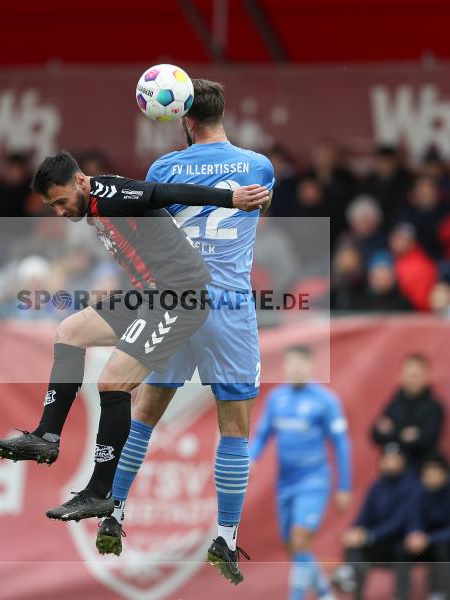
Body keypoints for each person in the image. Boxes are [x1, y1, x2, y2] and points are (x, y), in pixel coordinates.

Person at [0, 151, 268, 525]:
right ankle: (47, 436)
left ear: (81, 182)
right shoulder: (93, 203)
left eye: (60, 201)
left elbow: (161, 193)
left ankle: (99, 493)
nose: (59, 212)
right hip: (149, 295)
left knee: (112, 382)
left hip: (180, 297)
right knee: (69, 332)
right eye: (51, 206)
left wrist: (228, 199)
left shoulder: (112, 193)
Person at [91, 79, 275, 584]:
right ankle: (227, 537)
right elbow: (257, 215)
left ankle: (115, 510)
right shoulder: (258, 165)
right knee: (233, 427)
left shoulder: (164, 170)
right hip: (229, 306)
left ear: (184, 120)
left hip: (174, 300)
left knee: (146, 413)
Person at [249, 346, 352, 600]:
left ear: (310, 366)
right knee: (292, 547)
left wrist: (345, 486)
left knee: (300, 539)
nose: (295, 368)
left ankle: (296, 596)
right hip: (286, 483)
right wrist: (251, 458)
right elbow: (263, 434)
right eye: (290, 363)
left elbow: (341, 443)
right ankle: (325, 592)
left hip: (314, 480)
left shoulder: (325, 400)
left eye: (300, 363)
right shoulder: (277, 398)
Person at [333, 444, 419, 600]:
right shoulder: (377, 486)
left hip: (398, 542)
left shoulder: (411, 486)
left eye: (394, 459)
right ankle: (349, 578)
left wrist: (369, 535)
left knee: (402, 549)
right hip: (377, 541)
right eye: (386, 459)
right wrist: (355, 531)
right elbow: (364, 515)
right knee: (355, 546)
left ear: (403, 461)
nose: (390, 463)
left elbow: (399, 522)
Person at [398, 452, 450, 600]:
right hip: (424, 543)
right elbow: (413, 518)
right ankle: (401, 595)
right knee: (401, 549)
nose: (431, 478)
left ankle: (443, 594)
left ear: (445, 473)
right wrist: (414, 534)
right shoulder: (419, 492)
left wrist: (429, 539)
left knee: (443, 550)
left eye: (435, 473)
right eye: (427, 474)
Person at [371, 353, 444, 466]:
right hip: (390, 469)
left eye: (416, 375)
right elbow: (375, 434)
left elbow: (428, 441)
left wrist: (392, 433)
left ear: (426, 376)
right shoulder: (393, 403)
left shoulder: (434, 407)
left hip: (418, 470)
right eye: (408, 374)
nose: (412, 380)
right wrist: (405, 435)